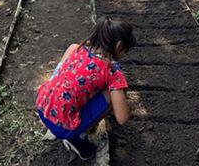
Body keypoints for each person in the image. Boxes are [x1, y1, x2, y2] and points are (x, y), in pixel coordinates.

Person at [36, 17, 134, 160]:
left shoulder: (76, 48)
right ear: (119, 46)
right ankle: (80, 138)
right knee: (116, 90)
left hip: (42, 107)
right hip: (63, 127)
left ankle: (65, 121)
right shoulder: (112, 72)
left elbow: (58, 76)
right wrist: (122, 96)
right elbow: (122, 118)